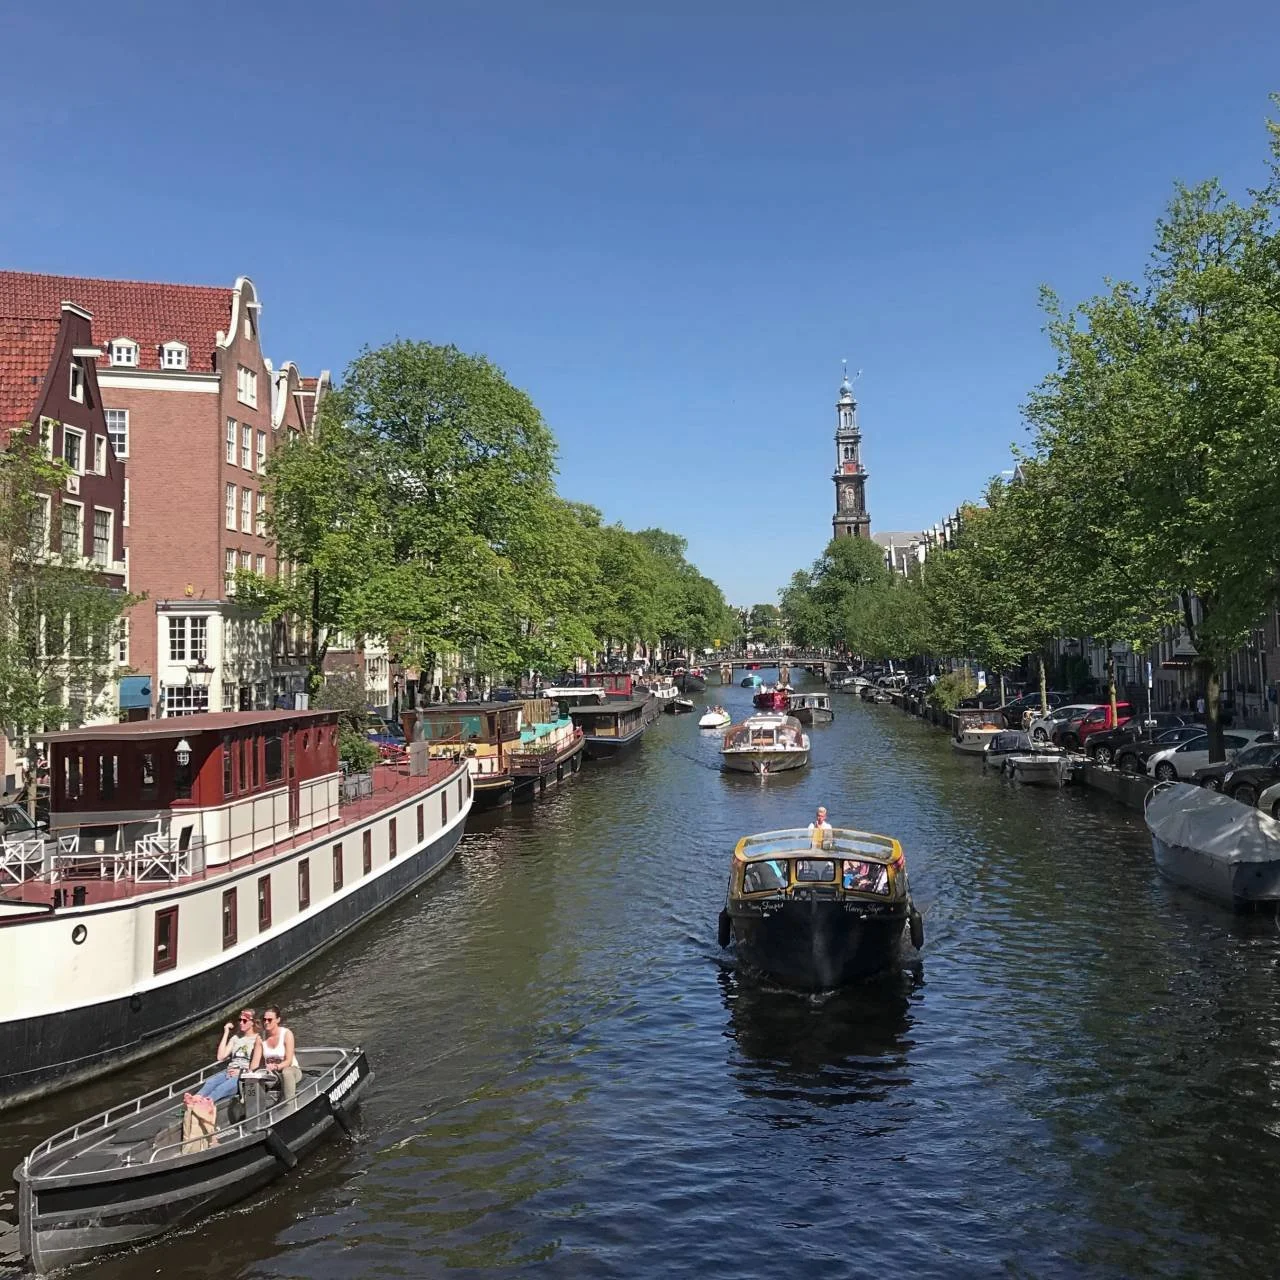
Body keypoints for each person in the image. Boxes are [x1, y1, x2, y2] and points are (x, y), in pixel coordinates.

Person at [186, 1009, 262, 1107]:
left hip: (243, 1075)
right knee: (211, 1082)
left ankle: (207, 1102)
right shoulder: (235, 1038)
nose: (241, 1023)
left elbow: (255, 1066)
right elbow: (220, 1057)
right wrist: (226, 1032)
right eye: (240, 1020)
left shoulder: (257, 1039)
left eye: (244, 1021)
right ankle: (196, 1097)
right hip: (229, 1071)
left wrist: (241, 1072)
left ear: (252, 1022)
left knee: (222, 1088)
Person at [261, 1005, 302, 1101]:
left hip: (291, 1070)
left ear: (278, 1020)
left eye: (269, 1020)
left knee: (286, 1072)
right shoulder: (261, 1039)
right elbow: (256, 1062)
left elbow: (288, 1061)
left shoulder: (287, 1034)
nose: (266, 1022)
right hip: (271, 1074)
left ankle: (289, 1104)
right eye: (264, 1019)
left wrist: (276, 1067)